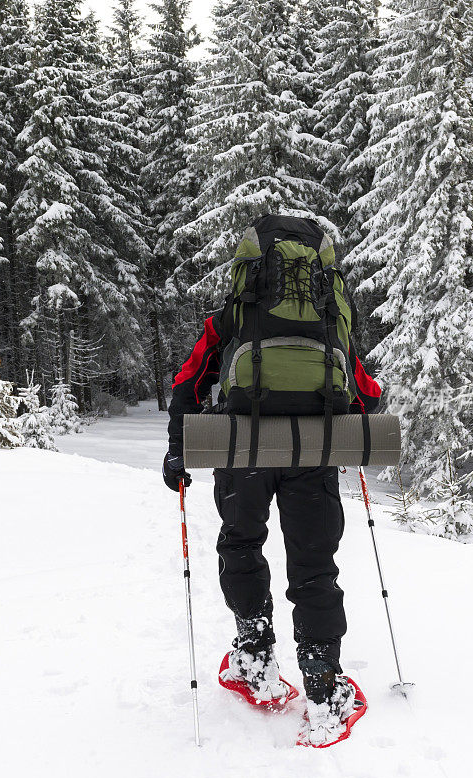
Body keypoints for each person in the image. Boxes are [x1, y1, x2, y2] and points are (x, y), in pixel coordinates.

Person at [162, 215, 381, 742]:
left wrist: (178, 454)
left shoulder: (233, 319)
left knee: (241, 545)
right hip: (314, 455)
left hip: (244, 451)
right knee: (315, 568)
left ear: (250, 272)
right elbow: (366, 392)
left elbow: (187, 384)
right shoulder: (332, 319)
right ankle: (325, 693)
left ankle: (256, 666)